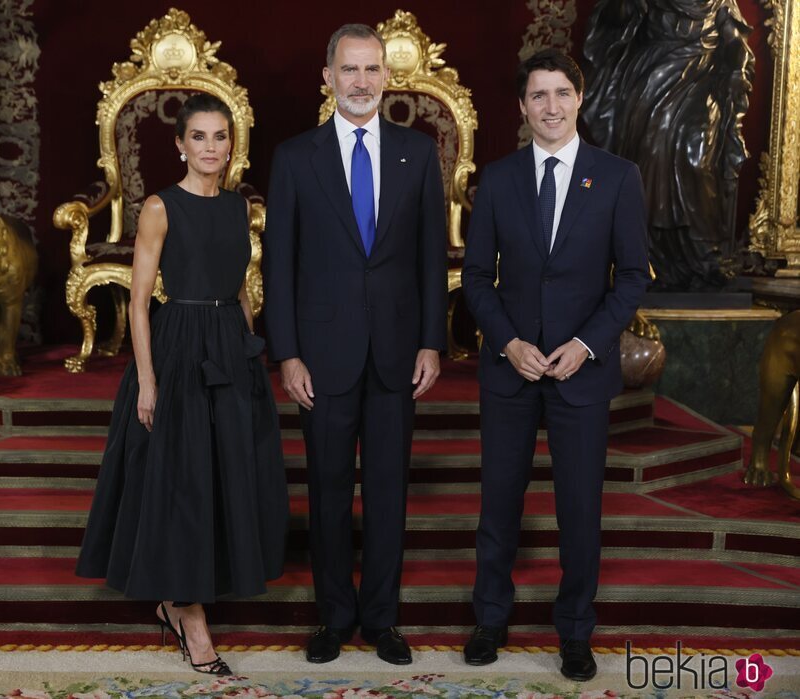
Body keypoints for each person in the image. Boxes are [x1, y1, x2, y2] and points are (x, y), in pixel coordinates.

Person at [75, 94, 289, 676]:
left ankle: (182, 598)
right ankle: (189, 617)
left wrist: (249, 351)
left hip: (228, 345)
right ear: (179, 144)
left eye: (221, 137)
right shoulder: (159, 208)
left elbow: (243, 289)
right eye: (199, 137)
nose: (212, 148)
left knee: (222, 473)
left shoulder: (238, 207)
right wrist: (147, 381)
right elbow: (140, 302)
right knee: (185, 479)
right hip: (177, 348)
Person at [461, 49, 650, 681]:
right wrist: (508, 342)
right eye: (538, 95)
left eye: (562, 93)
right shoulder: (497, 179)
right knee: (499, 507)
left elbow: (629, 279)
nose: (551, 106)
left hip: (581, 373)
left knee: (579, 511)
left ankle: (574, 632)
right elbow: (476, 281)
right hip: (510, 369)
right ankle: (490, 618)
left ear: (580, 99)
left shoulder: (618, 177)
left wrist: (587, 344)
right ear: (521, 106)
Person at [263, 23, 447, 666]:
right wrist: (286, 352)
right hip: (322, 356)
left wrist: (432, 341)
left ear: (387, 79)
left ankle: (384, 620)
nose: (362, 82)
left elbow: (432, 258)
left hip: (400, 354)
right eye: (350, 70)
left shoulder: (419, 154)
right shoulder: (294, 157)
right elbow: (278, 266)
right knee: (329, 489)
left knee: (390, 492)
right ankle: (334, 618)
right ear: (329, 78)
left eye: (372, 70)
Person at [581, 0, 754, 290]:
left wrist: (738, 69)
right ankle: (645, 256)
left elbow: (735, 43)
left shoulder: (719, 2)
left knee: (698, 159)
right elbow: (615, 18)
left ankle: (704, 256)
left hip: (703, 79)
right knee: (647, 155)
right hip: (651, 79)